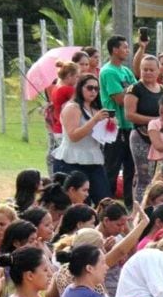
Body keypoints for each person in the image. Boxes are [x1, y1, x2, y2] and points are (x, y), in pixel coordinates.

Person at [55, 75, 111, 203]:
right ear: (80, 88)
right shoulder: (72, 108)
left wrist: (110, 125)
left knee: (104, 199)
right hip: (72, 160)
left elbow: (101, 136)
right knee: (77, 202)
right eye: (90, 88)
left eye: (96, 89)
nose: (93, 92)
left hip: (94, 158)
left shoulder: (95, 108)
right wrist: (95, 120)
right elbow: (73, 136)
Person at [100, 35, 138, 208]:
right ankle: (107, 204)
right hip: (115, 125)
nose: (127, 50)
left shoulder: (126, 71)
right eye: (124, 47)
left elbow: (138, 92)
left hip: (130, 126)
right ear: (114, 49)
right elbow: (120, 98)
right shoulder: (108, 71)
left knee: (131, 168)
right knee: (112, 167)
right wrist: (134, 98)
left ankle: (129, 204)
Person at [124, 54, 163, 204]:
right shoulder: (134, 89)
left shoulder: (161, 88)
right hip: (141, 136)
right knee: (144, 176)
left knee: (159, 174)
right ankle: (140, 208)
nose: (147, 72)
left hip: (159, 137)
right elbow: (129, 115)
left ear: (158, 71)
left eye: (151, 70)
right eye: (144, 69)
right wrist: (154, 121)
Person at [48, 61, 80, 176]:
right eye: (76, 77)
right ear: (69, 76)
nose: (77, 80)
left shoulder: (57, 87)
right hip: (64, 128)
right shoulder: (67, 89)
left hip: (58, 127)